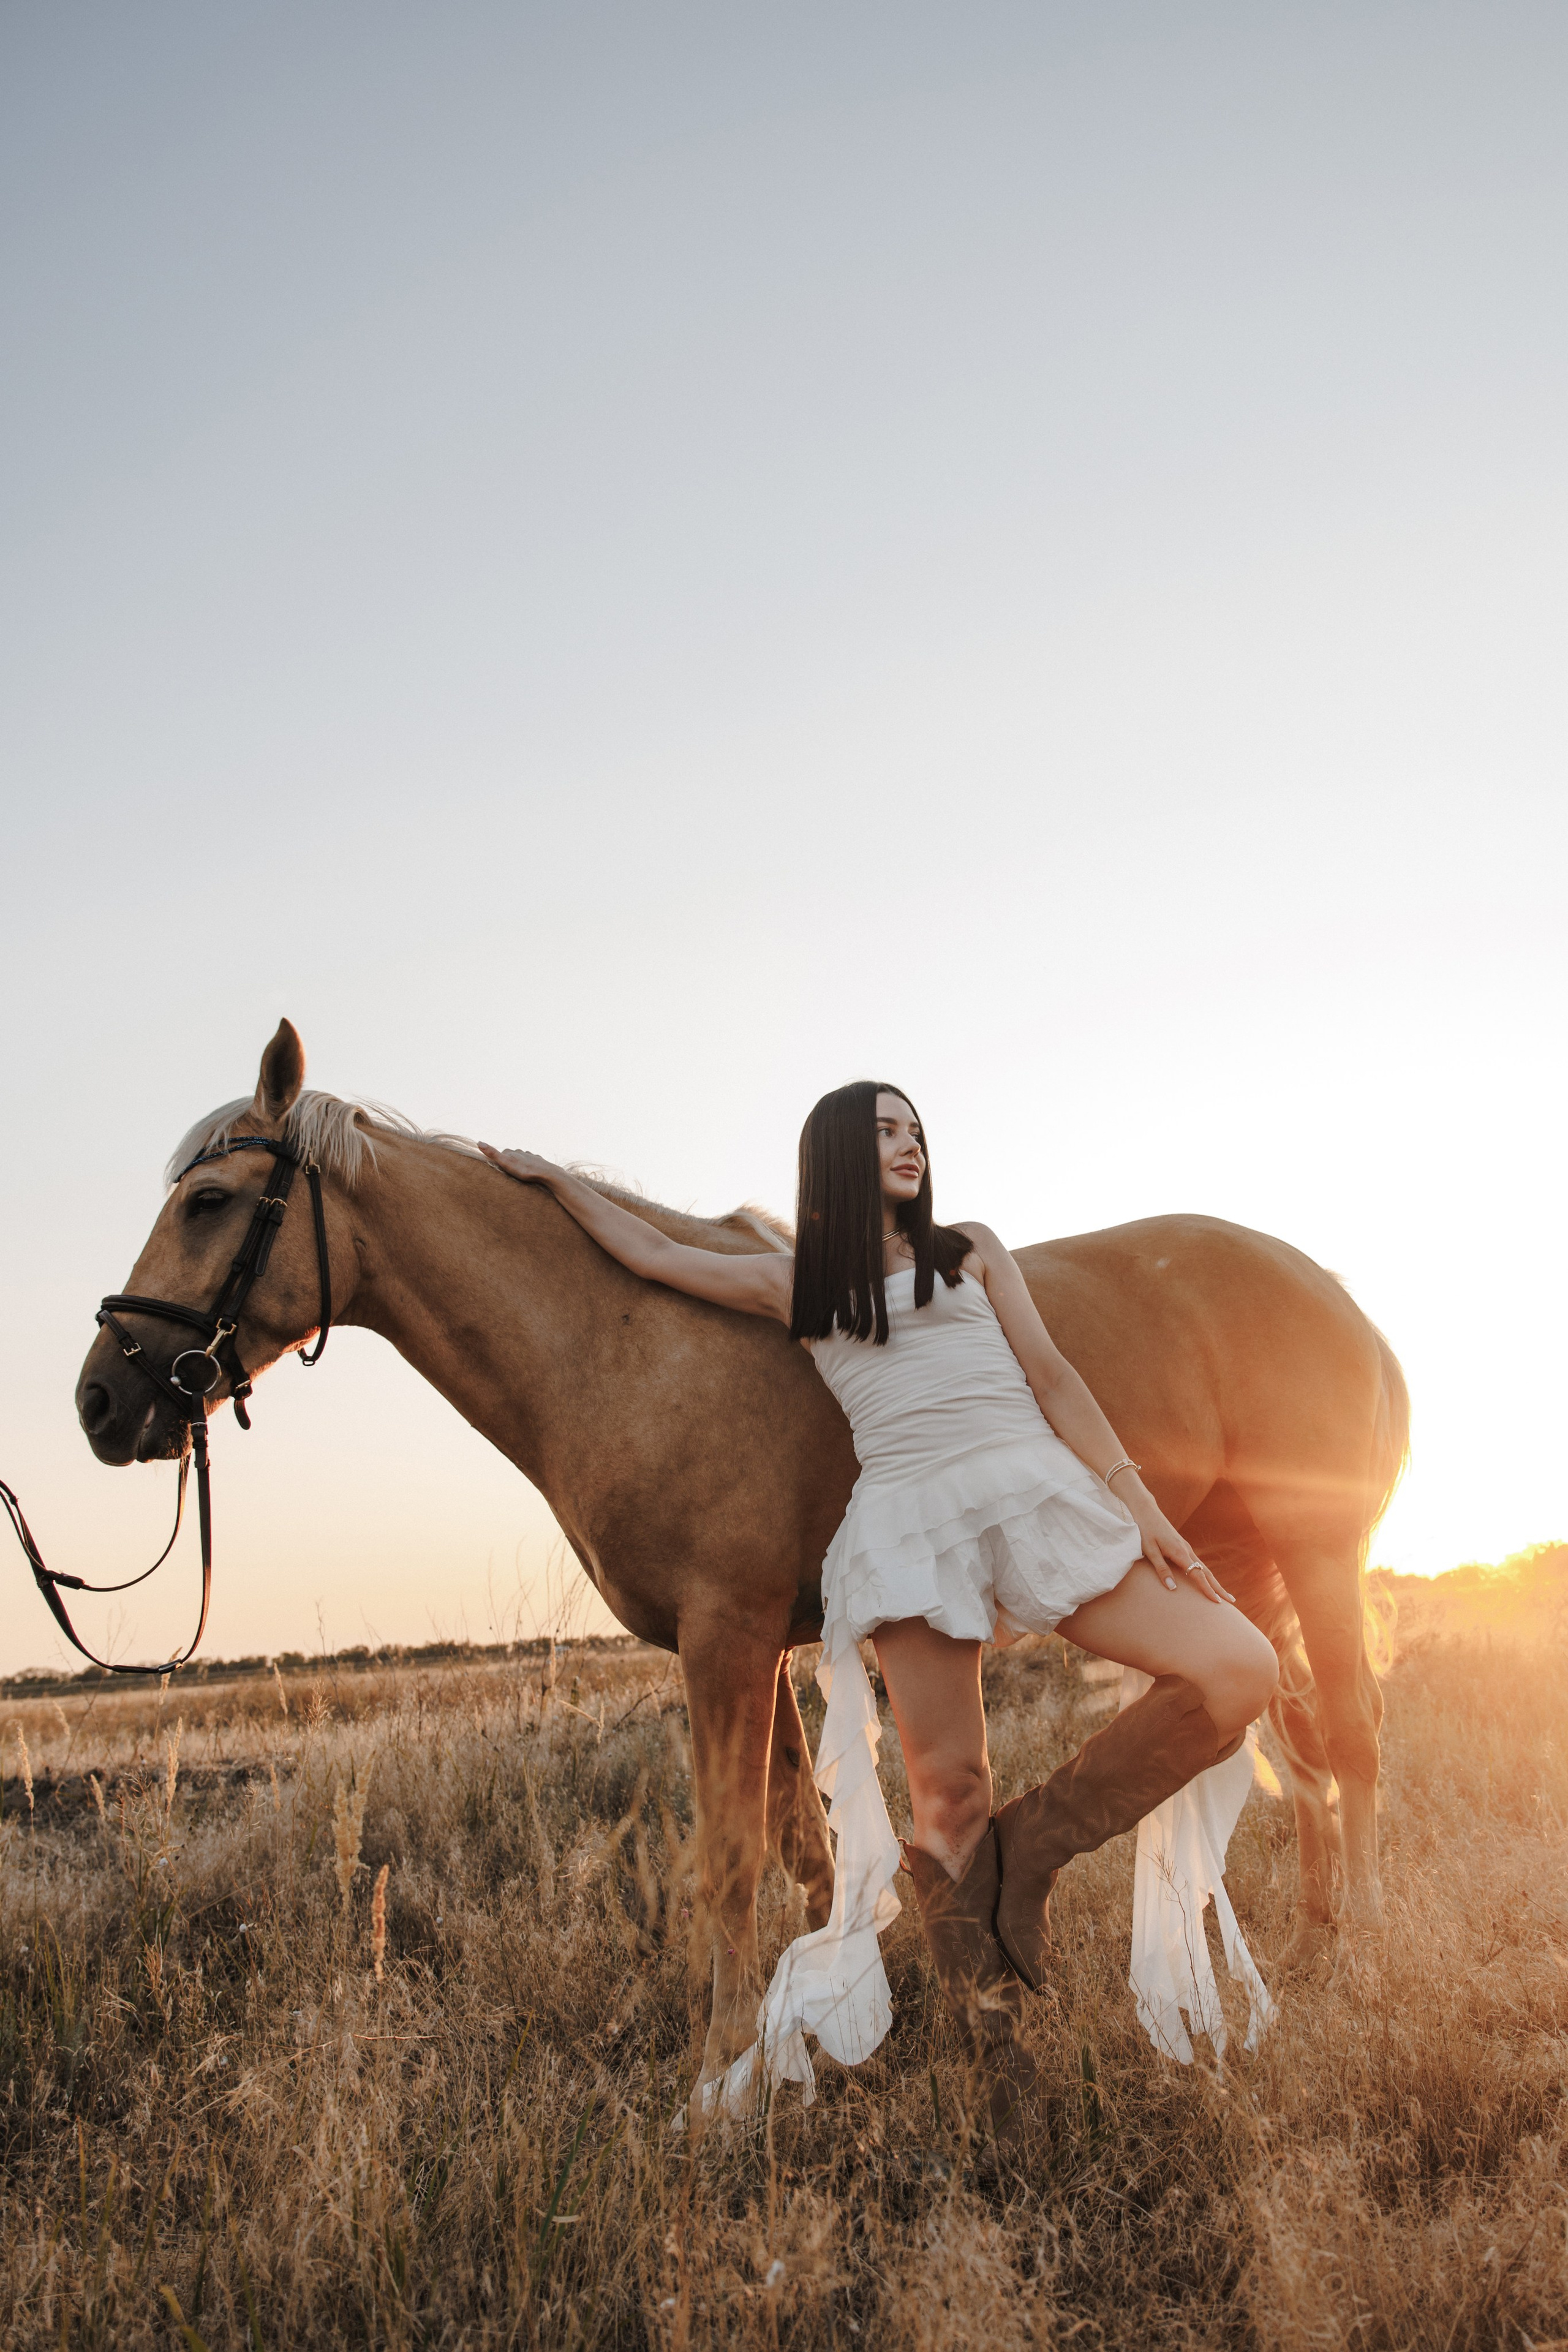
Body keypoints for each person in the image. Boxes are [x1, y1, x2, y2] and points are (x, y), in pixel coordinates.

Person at [480, 1084, 1279, 2138]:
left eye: (916, 1131)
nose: (908, 1146)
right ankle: (993, 2060)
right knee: (950, 1796)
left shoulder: (973, 1250)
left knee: (1240, 1667)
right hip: (909, 1532)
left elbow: (1054, 1378)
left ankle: (1031, 1852)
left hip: (1037, 1496)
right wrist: (554, 1182)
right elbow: (652, 1258)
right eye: (884, 1133)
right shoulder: (798, 1283)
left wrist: (1140, 1506)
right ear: (840, 1161)